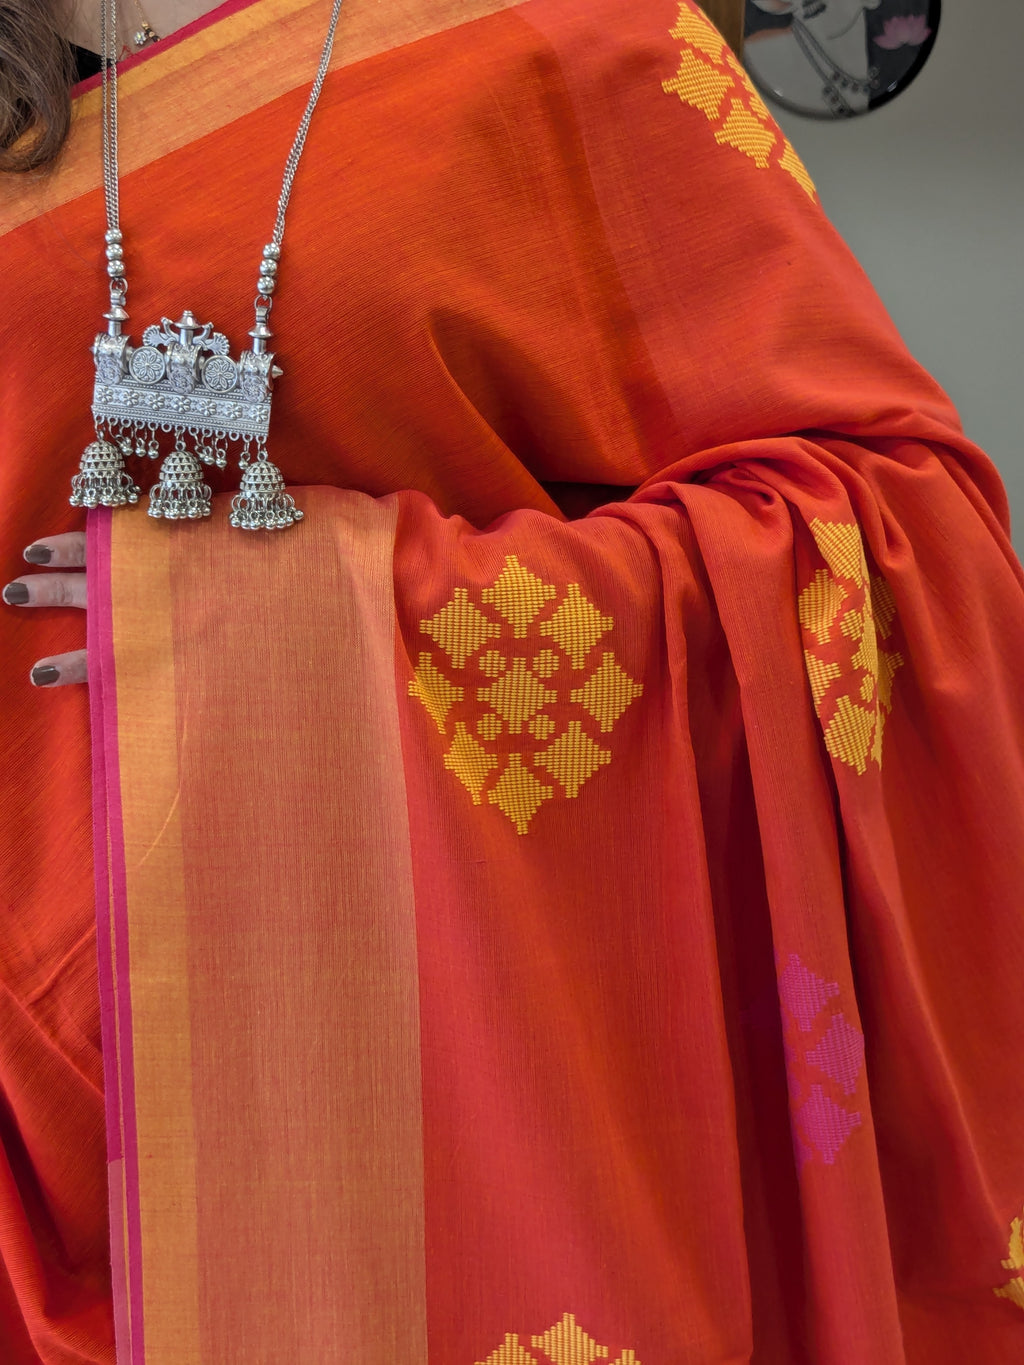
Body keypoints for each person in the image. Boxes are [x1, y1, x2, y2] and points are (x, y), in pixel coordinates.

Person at [3, 0, 1024, 1361]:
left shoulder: (553, 28)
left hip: (482, 1082)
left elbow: (908, 549)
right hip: (56, 1138)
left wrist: (346, 618)